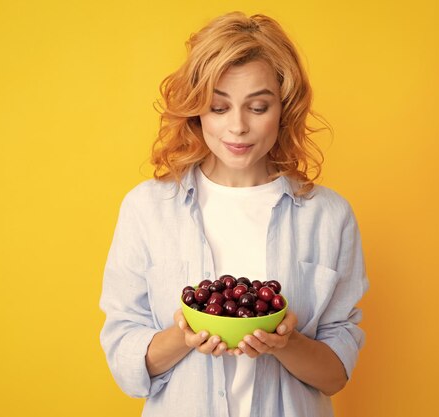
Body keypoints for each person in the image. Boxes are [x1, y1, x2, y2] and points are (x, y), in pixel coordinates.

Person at [99, 11, 369, 417]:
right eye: (219, 107)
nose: (238, 127)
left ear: (284, 108)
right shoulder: (147, 209)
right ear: (196, 110)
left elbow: (335, 376)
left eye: (258, 107)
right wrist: (183, 336)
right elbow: (125, 364)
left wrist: (287, 342)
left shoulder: (329, 217)